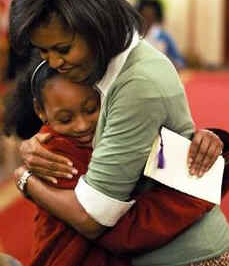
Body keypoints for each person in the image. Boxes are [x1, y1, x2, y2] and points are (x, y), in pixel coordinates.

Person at [9, 0, 229, 265]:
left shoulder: (139, 83)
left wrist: (25, 179)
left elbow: (92, 217)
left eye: (62, 49)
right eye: (43, 51)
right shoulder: (95, 64)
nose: (54, 62)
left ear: (95, 25)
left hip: (185, 257)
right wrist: (35, 144)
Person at [5, 59, 229, 266]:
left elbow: (167, 151)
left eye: (91, 109)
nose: (82, 125)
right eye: (65, 119)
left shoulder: (120, 125)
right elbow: (125, 230)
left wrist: (207, 143)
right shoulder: (54, 156)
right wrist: (200, 193)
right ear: (40, 111)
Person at [136, 0, 186, 70]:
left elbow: (180, 62)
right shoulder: (134, 36)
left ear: (156, 17)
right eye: (144, 15)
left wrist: (171, 62)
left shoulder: (164, 37)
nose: (147, 19)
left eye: (150, 16)